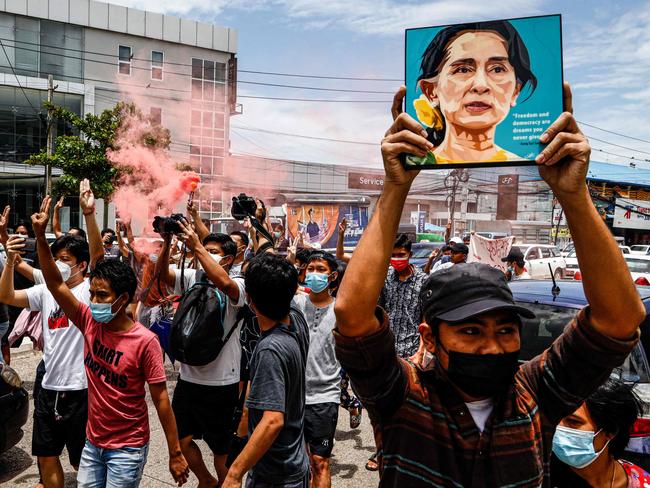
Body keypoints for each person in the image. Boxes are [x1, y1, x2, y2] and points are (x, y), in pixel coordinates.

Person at [333, 84, 645, 487]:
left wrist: (573, 194)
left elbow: (620, 319)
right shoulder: (404, 397)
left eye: (505, 330)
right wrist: (396, 186)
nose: (493, 346)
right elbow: (353, 316)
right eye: (471, 331)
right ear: (429, 337)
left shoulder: (536, 393)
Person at [30, 196, 189, 488]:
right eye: (92, 294)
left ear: (123, 299)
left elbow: (162, 401)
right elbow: (54, 282)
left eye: (102, 296)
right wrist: (40, 237)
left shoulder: (144, 341)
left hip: (127, 448)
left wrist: (175, 452)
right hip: (93, 444)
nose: (93, 301)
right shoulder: (88, 319)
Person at [0, 180, 103, 488]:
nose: (59, 264)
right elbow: (8, 295)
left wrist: (88, 214)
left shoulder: (90, 289)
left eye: (66, 260)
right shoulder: (46, 290)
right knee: (46, 457)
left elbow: (97, 255)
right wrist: (7, 260)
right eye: (56, 259)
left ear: (82, 266)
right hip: (49, 386)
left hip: (82, 389)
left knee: (80, 459)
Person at [156, 222, 247, 488]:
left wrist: (196, 244)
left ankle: (226, 483)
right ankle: (206, 481)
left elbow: (224, 282)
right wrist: (166, 243)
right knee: (181, 440)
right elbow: (163, 276)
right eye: (205, 250)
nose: (205, 254)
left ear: (228, 258)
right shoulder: (194, 276)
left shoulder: (239, 283)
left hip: (222, 383)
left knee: (222, 451)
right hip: (188, 379)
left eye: (213, 251)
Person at [223, 254, 310, 488]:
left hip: (276, 474)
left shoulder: (269, 349)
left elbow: (272, 421)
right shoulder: (297, 321)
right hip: (296, 464)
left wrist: (234, 474)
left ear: (250, 299)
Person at [410, 20, 537, 165]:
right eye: (463, 70)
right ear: (431, 91)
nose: (481, 85)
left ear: (515, 91)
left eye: (497, 69)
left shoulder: (528, 168)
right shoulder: (414, 168)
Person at [292, 251, 341, 488]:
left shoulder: (341, 310)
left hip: (324, 397)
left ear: (332, 277)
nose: (314, 274)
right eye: (310, 269)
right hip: (293, 395)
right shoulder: (295, 303)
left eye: (320, 270)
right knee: (297, 461)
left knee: (320, 461)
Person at [551, 379, 650, 487]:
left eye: (573, 421)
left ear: (610, 432)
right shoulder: (538, 476)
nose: (557, 428)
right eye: (555, 417)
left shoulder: (641, 482)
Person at [379, 233, 428, 359]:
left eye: (401, 255)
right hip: (387, 349)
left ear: (410, 255)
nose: (397, 259)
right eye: (393, 256)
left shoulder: (423, 281)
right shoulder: (385, 277)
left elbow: (425, 318)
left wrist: (421, 350)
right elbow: (380, 310)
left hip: (412, 350)